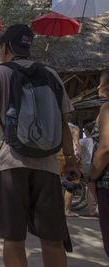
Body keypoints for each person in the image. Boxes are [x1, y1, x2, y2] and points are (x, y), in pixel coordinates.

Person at [0, 24, 80, 267]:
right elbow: (64, 122)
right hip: (46, 165)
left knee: (13, 238)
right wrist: (71, 159)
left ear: (4, 47)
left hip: (9, 164)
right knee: (52, 238)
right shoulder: (51, 74)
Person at [89, 70, 109, 257]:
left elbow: (106, 147)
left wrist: (92, 178)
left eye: (101, 83)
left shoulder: (107, 109)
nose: (97, 87)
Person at [79, 122, 99, 217]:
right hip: (97, 165)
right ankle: (98, 209)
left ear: (86, 131)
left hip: (86, 166)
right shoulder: (98, 140)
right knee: (96, 187)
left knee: (89, 188)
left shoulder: (83, 141)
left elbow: (75, 145)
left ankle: (91, 211)